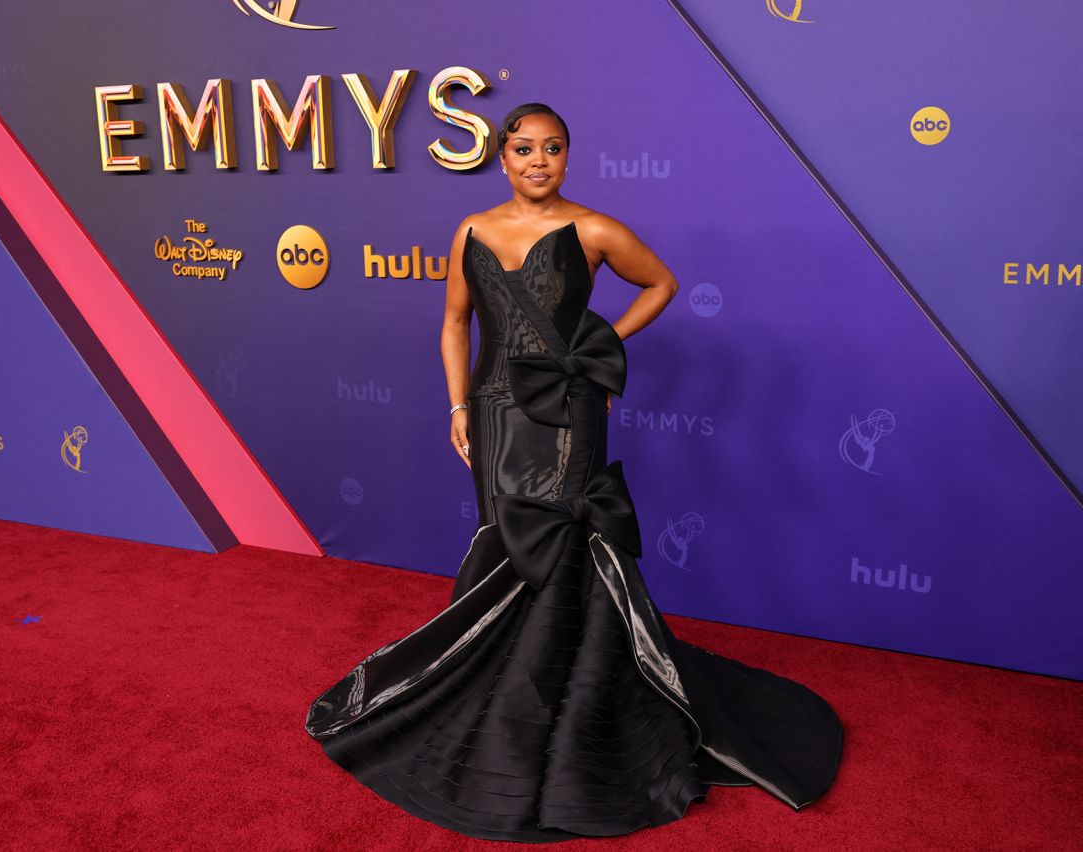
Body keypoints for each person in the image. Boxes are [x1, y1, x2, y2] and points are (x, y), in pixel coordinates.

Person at [305, 103, 843, 842]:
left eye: (552, 149)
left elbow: (661, 284)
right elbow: (454, 323)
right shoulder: (471, 230)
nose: (538, 161)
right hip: (494, 411)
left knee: (561, 538)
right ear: (502, 158)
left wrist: (599, 348)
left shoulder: (594, 229)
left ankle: (568, 697)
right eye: (524, 149)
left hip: (569, 407)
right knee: (506, 537)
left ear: (567, 157)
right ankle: (492, 684)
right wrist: (458, 405)